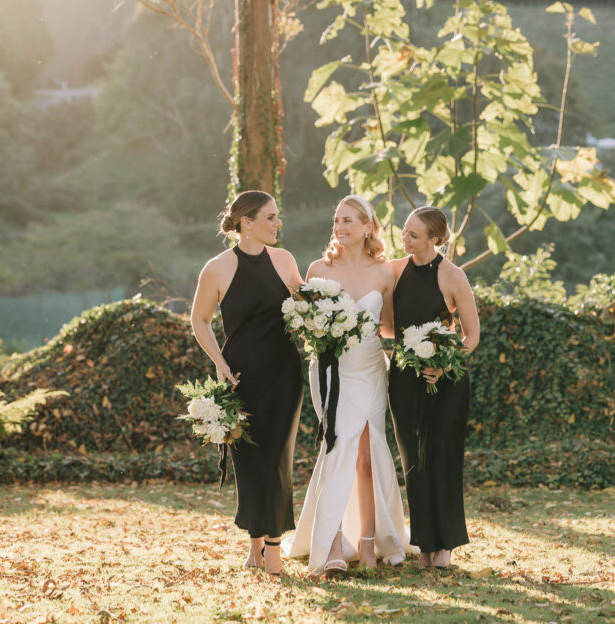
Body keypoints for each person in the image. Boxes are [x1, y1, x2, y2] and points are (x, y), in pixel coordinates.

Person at [283, 195, 412, 576]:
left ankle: (370, 541)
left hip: (371, 367)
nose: (339, 227)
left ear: (368, 226)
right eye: (336, 220)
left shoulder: (384, 272)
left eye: (348, 221)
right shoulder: (319, 268)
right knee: (336, 448)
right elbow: (308, 326)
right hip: (331, 372)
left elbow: (388, 326)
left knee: (368, 457)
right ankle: (333, 541)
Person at [189, 190, 304, 576]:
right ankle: (255, 545)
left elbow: (306, 308)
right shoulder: (217, 268)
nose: (277, 223)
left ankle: (272, 548)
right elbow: (199, 320)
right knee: (250, 461)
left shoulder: (285, 260)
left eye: (277, 216)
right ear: (246, 222)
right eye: (270, 217)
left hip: (286, 374)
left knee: (276, 457)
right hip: (241, 377)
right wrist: (219, 364)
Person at [388, 206, 480, 569]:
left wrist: (443, 363)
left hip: (447, 381)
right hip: (404, 379)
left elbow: (472, 336)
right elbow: (388, 327)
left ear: (435, 239)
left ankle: (445, 547)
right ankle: (424, 545)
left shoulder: (453, 276)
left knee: (442, 459)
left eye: (413, 234)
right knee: (413, 462)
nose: (405, 238)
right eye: (405, 231)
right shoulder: (395, 270)